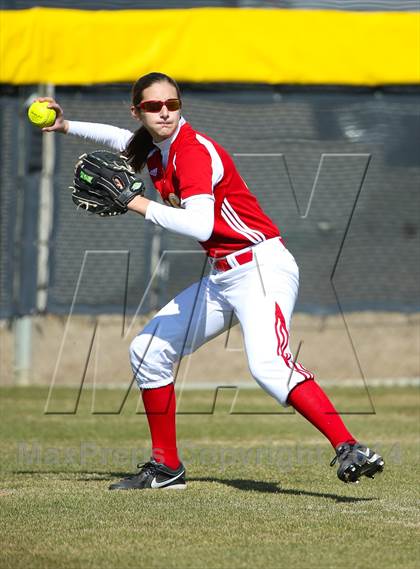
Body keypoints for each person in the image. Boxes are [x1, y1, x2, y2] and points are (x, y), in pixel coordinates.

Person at [39, 72, 384, 490]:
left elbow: (201, 224)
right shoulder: (153, 147)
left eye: (172, 103)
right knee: (148, 351)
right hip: (224, 275)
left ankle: (349, 446)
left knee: (268, 366)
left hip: (260, 266)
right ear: (138, 112)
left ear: (181, 106)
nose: (164, 112)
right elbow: (118, 139)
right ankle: (166, 468)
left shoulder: (191, 153)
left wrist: (135, 202)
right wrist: (66, 125)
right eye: (152, 106)